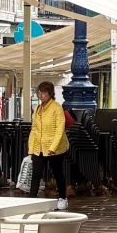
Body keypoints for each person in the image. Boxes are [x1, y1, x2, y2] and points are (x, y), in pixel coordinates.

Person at [26, 79, 70, 210]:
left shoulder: (56, 108)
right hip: (39, 147)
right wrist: (31, 148)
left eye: (44, 92)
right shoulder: (38, 109)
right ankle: (32, 199)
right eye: (39, 92)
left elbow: (59, 130)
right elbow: (34, 130)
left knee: (57, 173)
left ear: (50, 93)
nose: (41, 95)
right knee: (36, 173)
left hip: (55, 148)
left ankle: (62, 198)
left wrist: (53, 147)